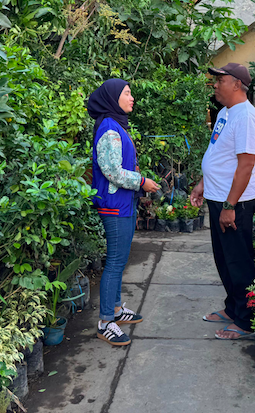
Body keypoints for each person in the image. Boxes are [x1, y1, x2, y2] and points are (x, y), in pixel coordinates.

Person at [190, 63, 255, 340]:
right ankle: (233, 308)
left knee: (239, 262)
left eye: (220, 80)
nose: (215, 84)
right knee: (224, 260)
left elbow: (246, 165)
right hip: (218, 197)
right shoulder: (225, 113)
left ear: (236, 84)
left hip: (235, 204)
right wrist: (203, 183)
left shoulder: (247, 116)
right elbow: (217, 153)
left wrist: (230, 206)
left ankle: (246, 321)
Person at [88, 78, 160, 346]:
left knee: (120, 261)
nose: (132, 98)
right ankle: (106, 322)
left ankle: (116, 310)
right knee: (115, 263)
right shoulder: (109, 128)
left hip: (123, 204)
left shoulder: (116, 125)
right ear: (112, 97)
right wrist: (142, 182)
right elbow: (112, 172)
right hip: (114, 206)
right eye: (127, 93)